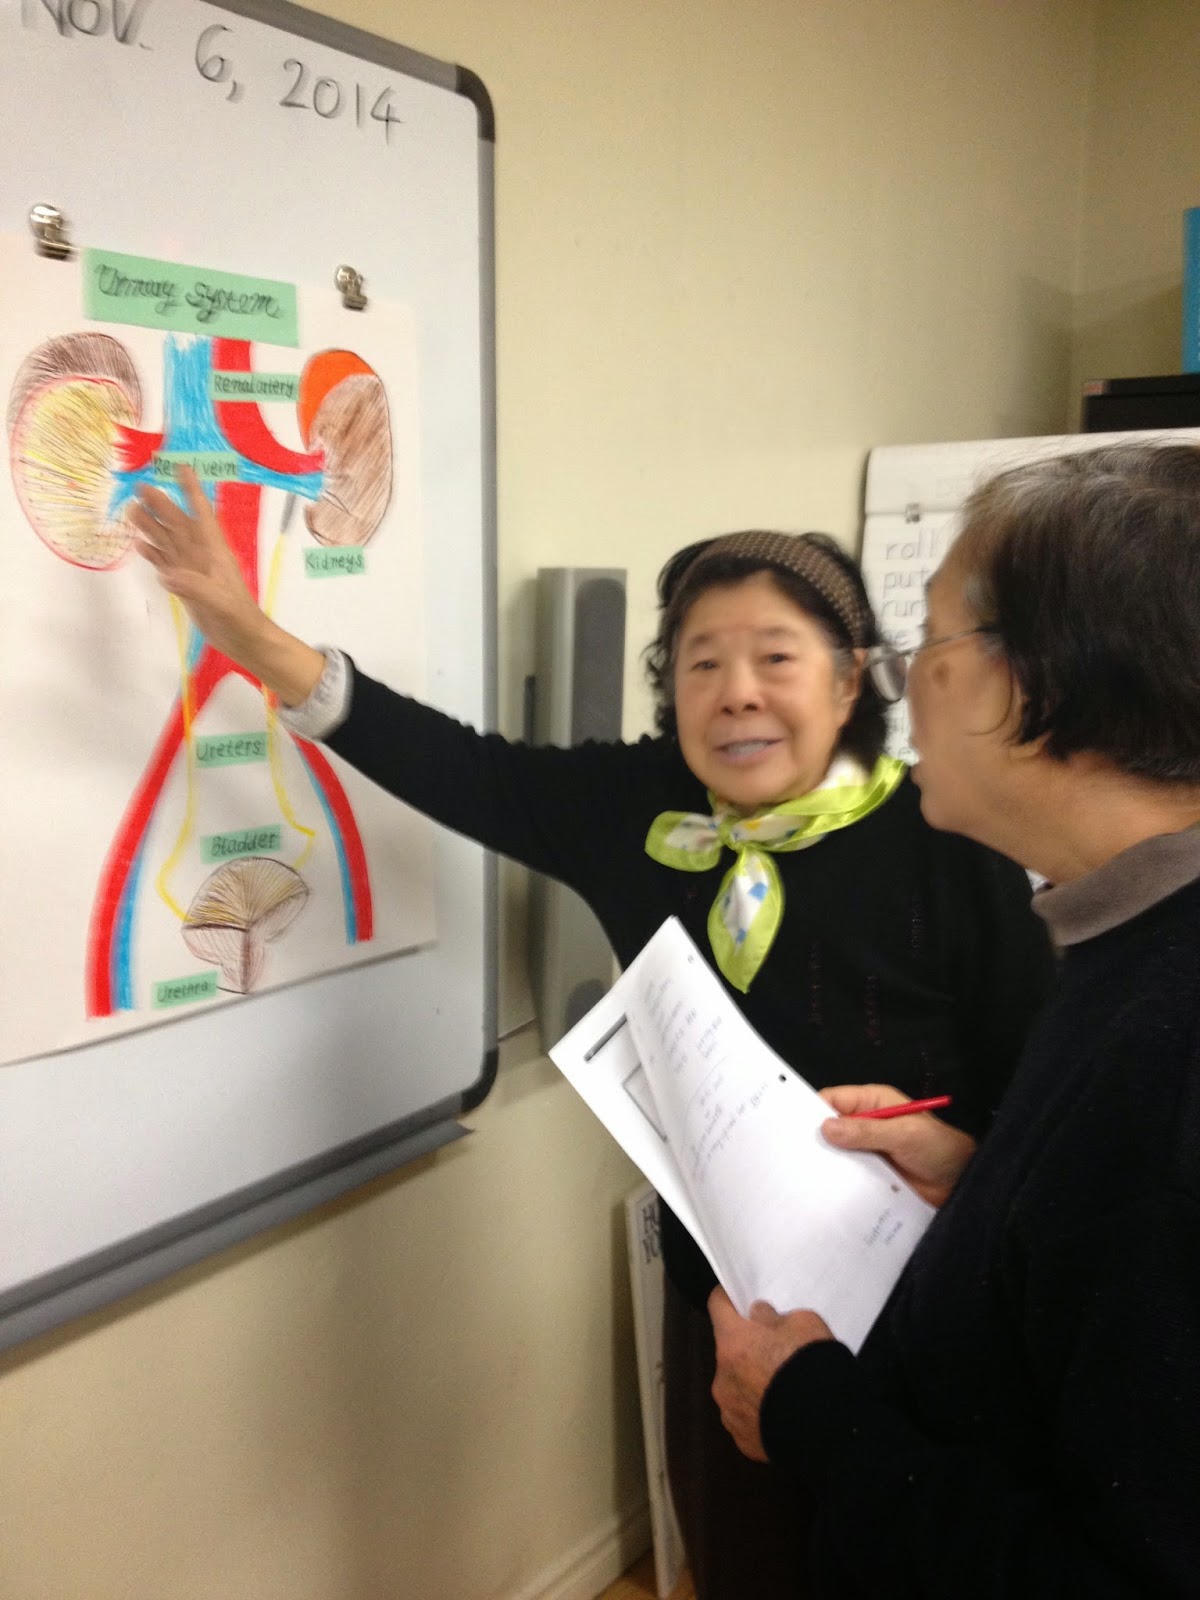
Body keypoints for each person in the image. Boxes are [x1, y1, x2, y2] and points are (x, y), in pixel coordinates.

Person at [130, 473, 1056, 1600]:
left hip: (922, 1292)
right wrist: (248, 633)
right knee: (747, 1560)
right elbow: (454, 765)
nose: (737, 693)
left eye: (776, 657)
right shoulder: (639, 808)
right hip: (725, 1298)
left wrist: (960, 1159)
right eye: (703, 663)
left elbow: (1037, 1093)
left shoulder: (947, 834)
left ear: (850, 678)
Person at [710, 440, 1200, 1598]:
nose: (901, 685)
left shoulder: (1171, 1052)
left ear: (1027, 682)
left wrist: (812, 1413)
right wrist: (985, 1187)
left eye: (928, 643)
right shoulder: (1128, 941)